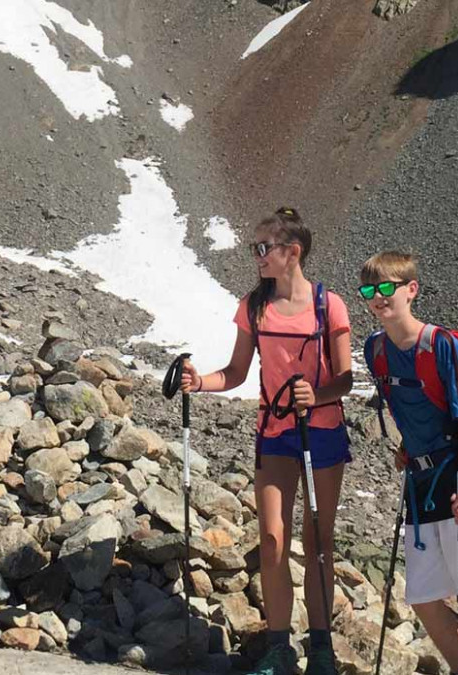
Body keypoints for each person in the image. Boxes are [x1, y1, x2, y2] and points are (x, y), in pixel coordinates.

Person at [182, 207, 354, 675]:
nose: (255, 256)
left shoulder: (328, 305)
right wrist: (200, 382)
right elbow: (237, 372)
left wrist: (314, 395)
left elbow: (346, 380)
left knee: (319, 540)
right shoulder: (254, 306)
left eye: (263, 248)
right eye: (254, 248)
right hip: (275, 434)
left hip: (322, 434)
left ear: (291, 252)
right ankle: (280, 647)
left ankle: (321, 649)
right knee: (273, 538)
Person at [357, 251, 458, 675]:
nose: (378, 297)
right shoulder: (375, 349)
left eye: (388, 287)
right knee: (423, 595)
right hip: (422, 477)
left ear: (411, 290)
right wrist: (408, 447)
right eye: (370, 290)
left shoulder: (440, 344)